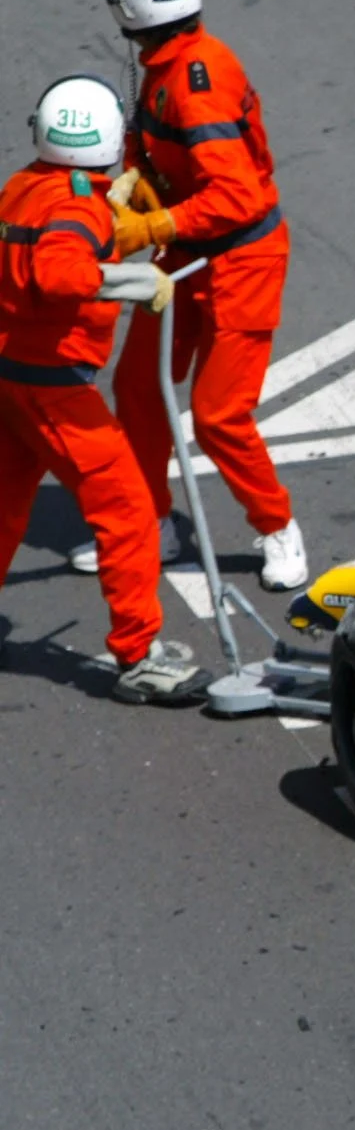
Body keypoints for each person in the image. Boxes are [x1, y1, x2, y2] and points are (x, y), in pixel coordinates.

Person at [89, 0, 310, 594]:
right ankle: (151, 522)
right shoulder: (169, 66)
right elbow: (158, 155)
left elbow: (237, 195)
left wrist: (154, 223)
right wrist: (128, 187)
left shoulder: (193, 84)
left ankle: (278, 527)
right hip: (184, 254)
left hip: (241, 260)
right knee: (136, 390)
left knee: (218, 416)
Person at [2, 77, 211, 705]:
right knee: (126, 511)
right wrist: (134, 281)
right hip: (54, 387)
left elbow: (51, 241)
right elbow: (62, 271)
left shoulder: (26, 186)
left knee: (6, 504)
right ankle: (139, 654)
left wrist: (109, 211)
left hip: (10, 375)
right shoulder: (76, 206)